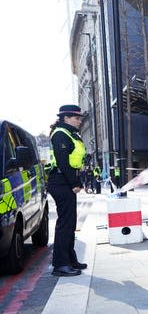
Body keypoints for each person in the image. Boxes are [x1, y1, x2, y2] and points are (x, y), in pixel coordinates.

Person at [47, 105, 88, 276]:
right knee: (65, 224)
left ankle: (70, 260)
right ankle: (60, 265)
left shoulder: (69, 134)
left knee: (70, 223)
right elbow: (63, 163)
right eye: (76, 118)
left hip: (65, 181)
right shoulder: (60, 135)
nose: (79, 121)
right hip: (61, 182)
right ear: (66, 118)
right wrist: (74, 183)